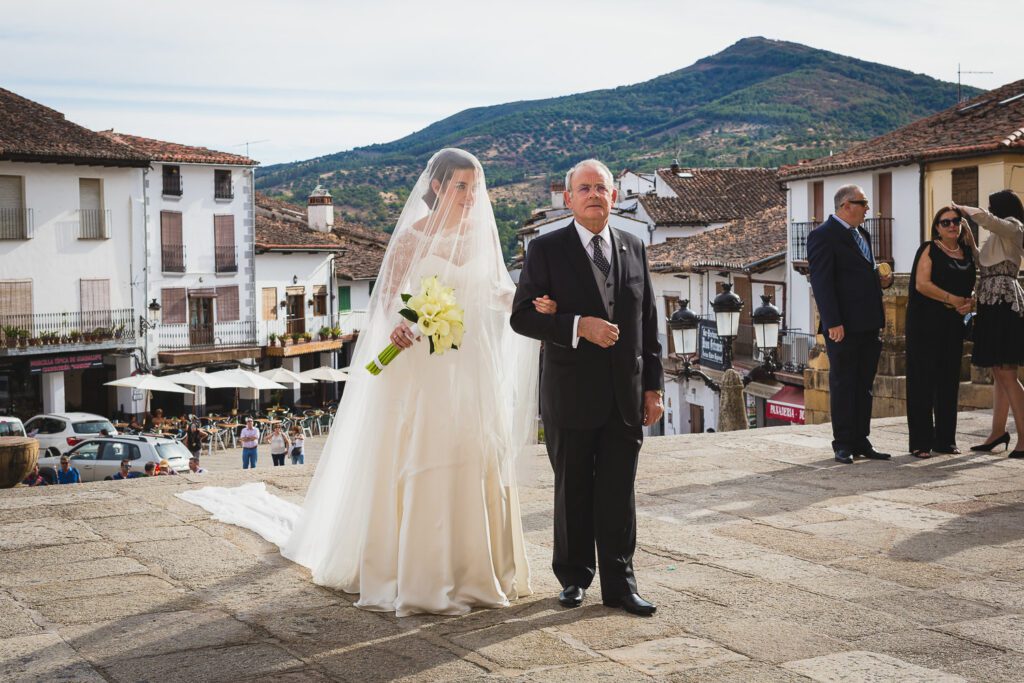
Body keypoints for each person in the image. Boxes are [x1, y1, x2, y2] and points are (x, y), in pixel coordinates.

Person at [179, 149, 548, 616]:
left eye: (476, 186)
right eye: (461, 186)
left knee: (472, 455)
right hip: (422, 370)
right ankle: (420, 573)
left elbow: (494, 291)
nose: (472, 196)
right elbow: (384, 304)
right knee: (425, 457)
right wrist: (401, 325)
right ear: (436, 187)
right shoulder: (413, 238)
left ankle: (473, 569)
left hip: (469, 369)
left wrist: (530, 302)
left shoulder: (480, 238)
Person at [510, 158, 663, 617]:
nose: (595, 195)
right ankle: (574, 578)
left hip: (625, 394)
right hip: (570, 394)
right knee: (573, 488)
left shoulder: (635, 247)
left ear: (614, 197)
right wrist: (577, 325)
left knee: (619, 492)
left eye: (602, 188)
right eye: (585, 188)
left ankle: (621, 585)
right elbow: (522, 317)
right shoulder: (546, 249)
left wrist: (652, 388)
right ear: (569, 197)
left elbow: (649, 323)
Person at [807, 185, 894, 465]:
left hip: (869, 322)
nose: (868, 208)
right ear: (846, 205)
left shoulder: (862, 234)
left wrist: (881, 279)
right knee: (843, 382)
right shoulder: (822, 235)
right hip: (842, 325)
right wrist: (832, 321)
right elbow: (821, 282)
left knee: (864, 383)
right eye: (863, 203)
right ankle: (843, 443)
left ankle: (861, 439)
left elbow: (862, 273)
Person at [953, 191, 1024, 458]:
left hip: (1005, 303)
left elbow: (991, 221)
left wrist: (964, 208)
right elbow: (984, 263)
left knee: (1006, 372)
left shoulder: (1014, 227)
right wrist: (969, 240)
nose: (989, 210)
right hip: (993, 304)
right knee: (1000, 371)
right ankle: (997, 432)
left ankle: (1023, 438)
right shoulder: (998, 238)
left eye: (993, 206)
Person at [905, 207, 977, 458]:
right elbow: (921, 284)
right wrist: (951, 299)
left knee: (948, 381)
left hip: (952, 323)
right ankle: (920, 443)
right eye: (945, 222)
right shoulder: (929, 249)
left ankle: (945, 440)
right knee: (922, 382)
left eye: (956, 221)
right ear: (937, 227)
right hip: (926, 323)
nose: (951, 226)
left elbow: (972, 284)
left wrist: (969, 302)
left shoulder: (967, 252)